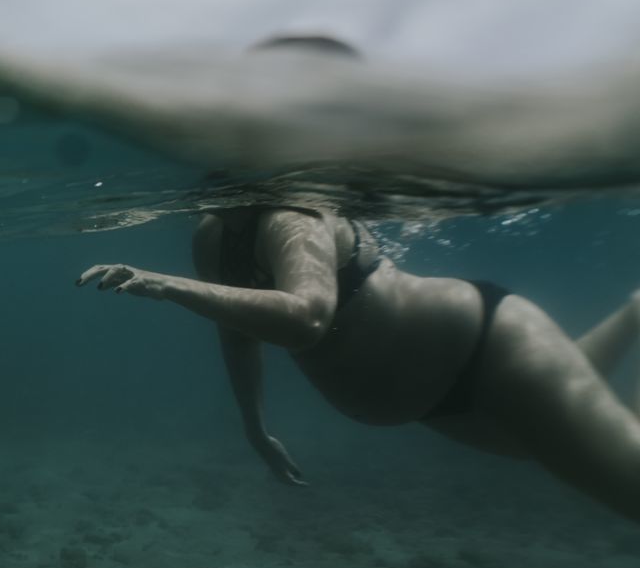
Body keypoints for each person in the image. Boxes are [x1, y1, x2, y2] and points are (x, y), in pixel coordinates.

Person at [77, 34, 640, 524]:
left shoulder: (291, 214)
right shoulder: (212, 236)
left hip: (489, 349)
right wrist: (255, 430)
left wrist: (163, 285)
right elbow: (237, 329)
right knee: (558, 438)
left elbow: (308, 319)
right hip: (437, 398)